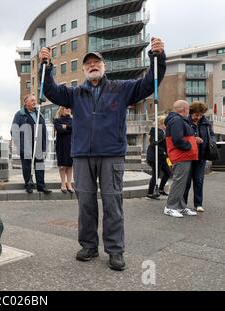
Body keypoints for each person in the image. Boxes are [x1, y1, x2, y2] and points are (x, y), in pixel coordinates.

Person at [39, 37, 166, 271]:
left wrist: (156, 56)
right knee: (85, 203)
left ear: (104, 66)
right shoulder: (75, 94)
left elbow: (148, 84)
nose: (92, 66)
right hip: (82, 156)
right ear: (84, 69)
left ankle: (115, 250)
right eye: (88, 64)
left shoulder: (121, 89)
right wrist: (46, 67)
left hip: (111, 155)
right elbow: (50, 91)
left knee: (112, 203)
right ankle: (88, 245)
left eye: (96, 62)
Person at [163, 100, 199, 218]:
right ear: (184, 109)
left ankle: (180, 207)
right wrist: (189, 146)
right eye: (188, 109)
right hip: (181, 155)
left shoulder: (177, 120)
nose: (189, 111)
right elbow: (177, 139)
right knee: (179, 182)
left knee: (181, 183)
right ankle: (170, 207)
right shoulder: (177, 120)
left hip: (183, 155)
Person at [11, 94, 52, 195]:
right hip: (26, 145)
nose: (34, 102)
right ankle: (28, 184)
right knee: (27, 166)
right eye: (32, 101)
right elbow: (14, 131)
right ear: (26, 102)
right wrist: (20, 144)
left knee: (39, 165)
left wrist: (44, 144)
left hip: (38, 145)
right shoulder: (19, 115)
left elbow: (44, 131)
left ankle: (41, 186)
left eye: (35, 101)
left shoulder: (39, 115)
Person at [183, 101, 215, 213]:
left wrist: (212, 142)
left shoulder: (206, 123)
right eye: (196, 115)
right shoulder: (185, 122)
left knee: (199, 180)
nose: (198, 117)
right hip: (188, 156)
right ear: (191, 113)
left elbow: (212, 134)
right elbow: (182, 136)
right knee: (186, 182)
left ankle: (198, 204)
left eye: (201, 115)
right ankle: (183, 204)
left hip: (201, 156)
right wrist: (193, 139)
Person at [146, 116, 171, 199]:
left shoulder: (162, 132)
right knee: (155, 175)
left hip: (162, 157)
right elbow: (154, 144)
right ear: (162, 123)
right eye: (166, 123)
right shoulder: (157, 133)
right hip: (156, 157)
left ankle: (161, 189)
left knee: (168, 172)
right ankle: (150, 193)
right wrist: (163, 152)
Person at [54, 107, 74, 193]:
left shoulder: (73, 120)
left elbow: (75, 129)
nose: (68, 110)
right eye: (66, 108)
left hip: (71, 145)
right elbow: (59, 130)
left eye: (69, 108)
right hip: (61, 145)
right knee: (62, 165)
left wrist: (66, 127)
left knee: (70, 165)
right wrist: (69, 128)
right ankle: (63, 183)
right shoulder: (57, 120)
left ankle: (69, 183)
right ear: (62, 109)